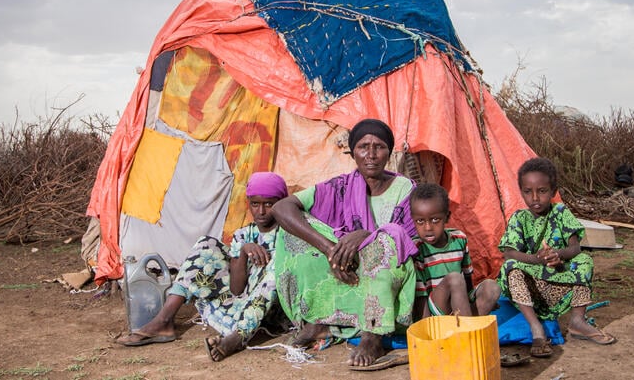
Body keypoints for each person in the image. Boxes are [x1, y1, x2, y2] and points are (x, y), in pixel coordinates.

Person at [271, 119, 417, 369]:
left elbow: (407, 240)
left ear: (389, 152)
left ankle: (373, 335)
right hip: (344, 265)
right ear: (353, 152)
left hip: (388, 268)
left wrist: (365, 236)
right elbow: (281, 207)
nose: (371, 154)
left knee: (386, 240)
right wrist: (330, 249)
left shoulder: (405, 188)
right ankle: (320, 321)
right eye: (363, 146)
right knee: (292, 231)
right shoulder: (340, 187)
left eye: (379, 147)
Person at [116, 172, 289, 362]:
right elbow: (236, 289)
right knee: (205, 245)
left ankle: (236, 339)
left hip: (270, 308)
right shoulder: (244, 235)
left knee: (277, 265)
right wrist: (242, 251)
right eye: (255, 204)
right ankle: (164, 320)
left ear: (281, 203)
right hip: (241, 302)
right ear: (248, 203)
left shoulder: (287, 232)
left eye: (269, 204)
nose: (261, 212)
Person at [497, 157, 617, 359]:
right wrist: (537, 259)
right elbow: (509, 252)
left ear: (553, 192)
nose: (535, 198)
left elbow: (575, 247)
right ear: (522, 192)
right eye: (528, 192)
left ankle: (578, 321)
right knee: (510, 266)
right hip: (531, 288)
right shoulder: (519, 218)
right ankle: (536, 329)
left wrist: (557, 256)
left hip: (558, 282)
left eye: (542, 191)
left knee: (585, 260)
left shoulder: (561, 212)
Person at [410, 183, 500, 319]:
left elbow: (468, 276)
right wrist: (428, 328)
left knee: (492, 288)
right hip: (437, 307)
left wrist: (476, 301)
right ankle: (466, 332)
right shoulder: (416, 247)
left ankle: (464, 322)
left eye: (435, 220)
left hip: (459, 301)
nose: (428, 227)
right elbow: (420, 294)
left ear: (447, 217)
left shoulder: (459, 239)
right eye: (420, 221)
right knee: (455, 279)